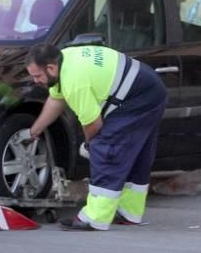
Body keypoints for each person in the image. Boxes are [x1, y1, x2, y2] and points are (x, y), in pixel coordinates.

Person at [26, 43, 167, 230]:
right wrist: (34, 131)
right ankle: (130, 212)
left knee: (106, 150)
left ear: (51, 68)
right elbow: (55, 101)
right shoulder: (64, 59)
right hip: (149, 89)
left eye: (37, 76)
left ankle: (95, 218)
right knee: (136, 153)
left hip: (138, 97)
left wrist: (90, 144)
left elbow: (94, 124)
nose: (36, 81)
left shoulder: (74, 81)